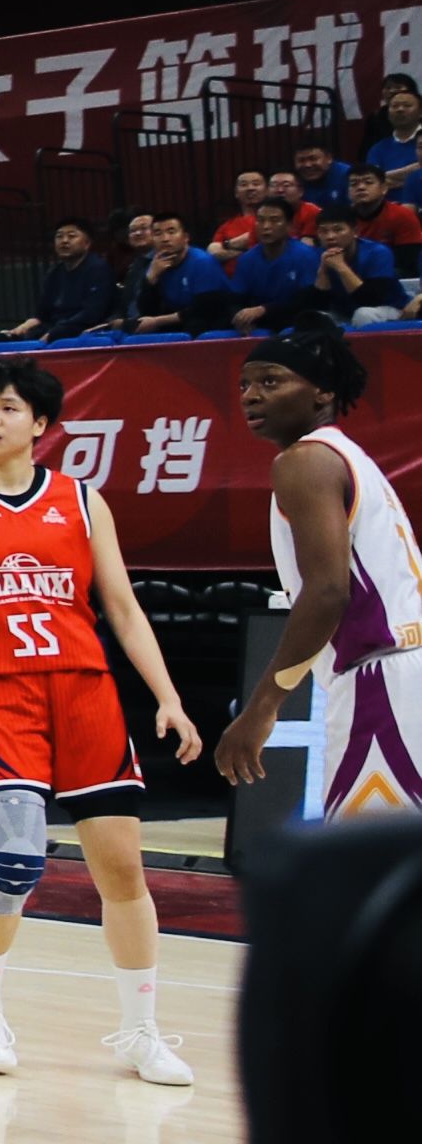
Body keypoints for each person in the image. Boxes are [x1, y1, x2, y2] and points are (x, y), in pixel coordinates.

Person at [0, 356, 202, 1085]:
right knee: (17, 860)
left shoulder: (81, 499)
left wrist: (168, 696)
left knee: (123, 870)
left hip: (85, 690)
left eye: (8, 407)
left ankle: (141, 1031)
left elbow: (122, 606)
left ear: (42, 423)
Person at [213, 321, 419, 819]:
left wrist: (263, 706)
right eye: (245, 384)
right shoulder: (348, 457)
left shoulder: (305, 461)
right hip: (405, 671)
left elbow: (328, 592)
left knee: (368, 861)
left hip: (384, 682)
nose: (251, 396)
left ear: (322, 391)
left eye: (271, 381)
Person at [0, 220, 118, 343]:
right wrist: (21, 328)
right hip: (53, 328)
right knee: (3, 340)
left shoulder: (98, 268)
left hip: (83, 330)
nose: (64, 241)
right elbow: (42, 314)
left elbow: (92, 314)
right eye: (59, 236)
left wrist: (53, 334)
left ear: (87, 243)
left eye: (71, 236)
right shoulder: (54, 272)